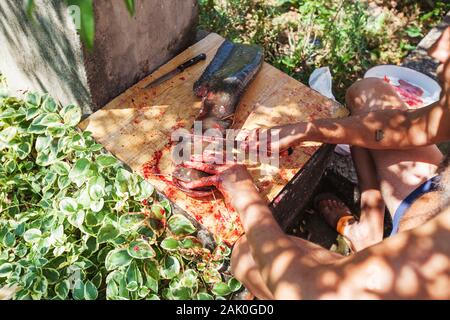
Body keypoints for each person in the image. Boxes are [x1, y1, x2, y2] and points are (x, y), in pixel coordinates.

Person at [180, 26, 450, 299]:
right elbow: (403, 129)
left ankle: (371, 247)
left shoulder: (434, 266)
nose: (436, 48)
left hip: (413, 269)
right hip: (432, 203)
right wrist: (306, 130)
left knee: (247, 255)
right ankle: (370, 228)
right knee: (368, 92)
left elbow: (302, 289)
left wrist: (244, 194)